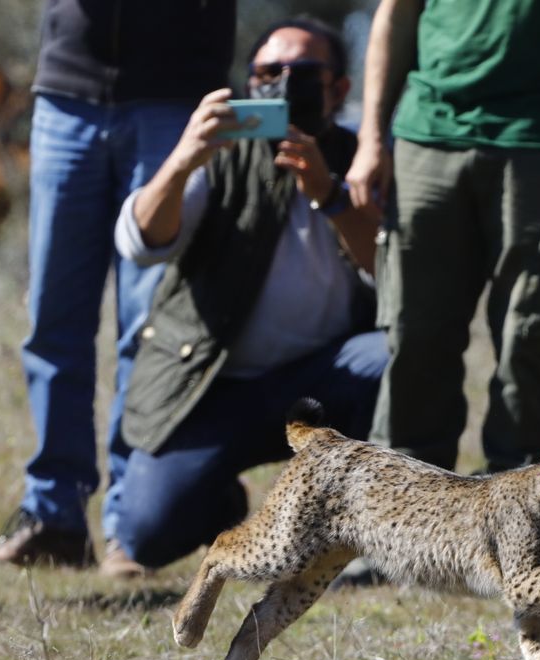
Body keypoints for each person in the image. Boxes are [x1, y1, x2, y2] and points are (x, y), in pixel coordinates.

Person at [101, 18, 388, 576]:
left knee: (389, 355)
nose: (283, 86)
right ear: (248, 86)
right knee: (148, 532)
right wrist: (184, 157)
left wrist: (330, 195)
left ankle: (356, 531)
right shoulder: (222, 154)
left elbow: (392, 273)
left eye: (302, 74)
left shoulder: (361, 156)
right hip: (212, 387)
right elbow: (140, 243)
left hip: (324, 384)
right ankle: (223, 500)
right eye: (267, 73)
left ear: (339, 89)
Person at [0, 0, 236, 569]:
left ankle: (127, 523)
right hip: (69, 94)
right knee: (53, 318)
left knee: (148, 326)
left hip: (173, 95)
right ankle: (54, 516)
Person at [346, 0, 540, 474]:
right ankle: (401, 525)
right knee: (415, 337)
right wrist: (370, 138)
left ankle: (522, 522)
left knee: (528, 343)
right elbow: (396, 15)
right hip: (429, 136)